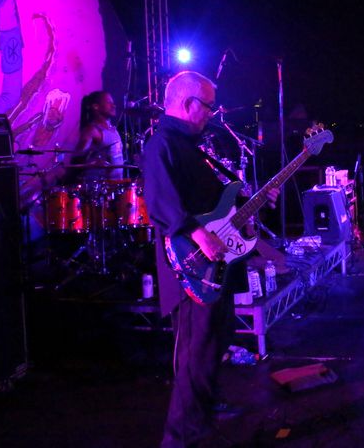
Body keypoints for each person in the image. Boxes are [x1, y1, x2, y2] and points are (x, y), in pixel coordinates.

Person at [143, 71, 276, 447]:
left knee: (216, 342)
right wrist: (199, 235)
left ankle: (205, 411)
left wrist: (254, 202)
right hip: (190, 269)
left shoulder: (191, 146)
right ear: (188, 104)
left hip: (216, 266)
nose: (212, 114)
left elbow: (218, 205)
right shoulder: (161, 144)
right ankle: (179, 438)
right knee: (195, 353)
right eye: (208, 106)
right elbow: (160, 202)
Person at [70, 91, 124, 181]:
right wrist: (92, 163)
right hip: (99, 185)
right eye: (109, 102)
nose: (113, 106)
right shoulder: (92, 131)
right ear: (96, 106)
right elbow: (76, 160)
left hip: (116, 185)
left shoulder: (113, 130)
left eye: (113, 103)